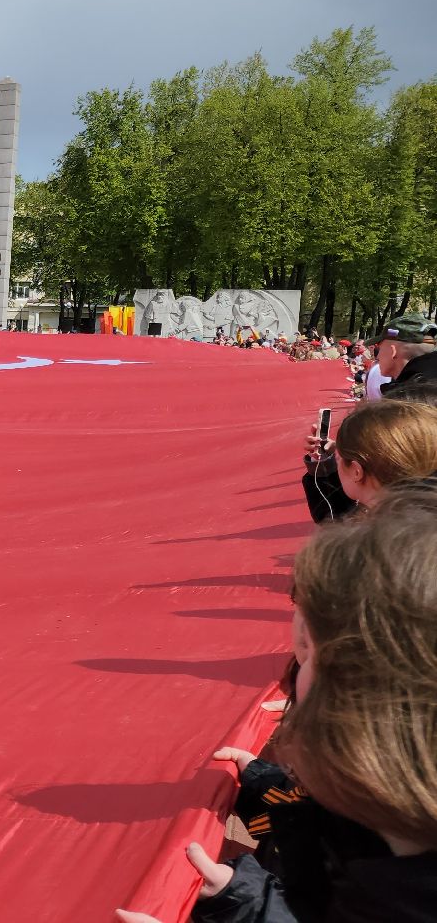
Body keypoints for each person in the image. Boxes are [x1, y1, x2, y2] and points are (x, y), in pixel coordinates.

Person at [118, 488, 437, 923]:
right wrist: (268, 793)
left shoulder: (399, 893)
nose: (292, 674)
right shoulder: (388, 833)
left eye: (308, 657)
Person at [373, 313, 437, 397]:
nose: (378, 357)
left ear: (393, 351)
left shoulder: (405, 400)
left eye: (380, 349)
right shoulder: (428, 388)